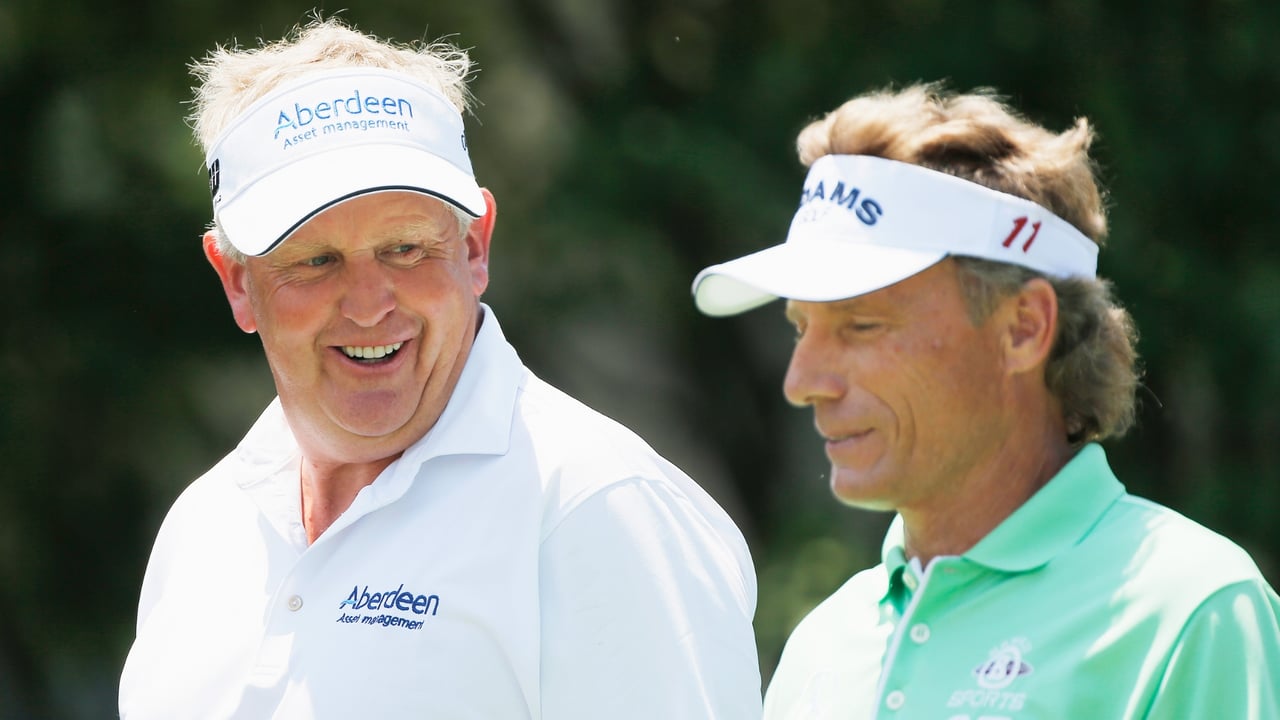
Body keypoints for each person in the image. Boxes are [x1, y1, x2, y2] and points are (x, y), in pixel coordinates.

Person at [119, 17, 762, 719]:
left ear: (476, 245)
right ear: (237, 281)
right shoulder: (204, 528)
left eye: (405, 248)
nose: (367, 306)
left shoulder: (594, 505)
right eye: (315, 260)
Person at [692, 83, 1280, 719]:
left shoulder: (1194, 610)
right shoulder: (824, 646)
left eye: (861, 325)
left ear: (1023, 326)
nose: (802, 382)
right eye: (801, 328)